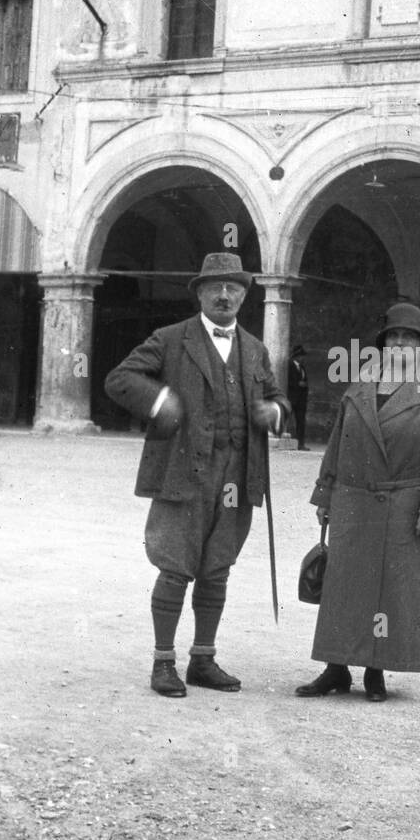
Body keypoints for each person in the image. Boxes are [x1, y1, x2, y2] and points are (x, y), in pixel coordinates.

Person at [104, 252, 290, 699]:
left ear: (245, 295)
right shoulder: (170, 340)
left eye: (234, 289)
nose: (225, 296)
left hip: (236, 479)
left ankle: (202, 659)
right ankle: (163, 662)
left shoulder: (256, 349)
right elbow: (119, 378)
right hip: (182, 474)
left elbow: (279, 398)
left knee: (217, 569)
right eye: (215, 288)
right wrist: (158, 401)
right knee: (174, 567)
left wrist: (275, 412)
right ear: (200, 293)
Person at [296, 303, 420, 703]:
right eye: (393, 337)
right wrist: (326, 493)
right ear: (384, 344)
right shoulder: (359, 387)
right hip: (353, 501)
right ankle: (335, 668)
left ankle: (375, 671)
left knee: (390, 591)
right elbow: (338, 442)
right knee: (343, 587)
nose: (400, 343)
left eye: (409, 338)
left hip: (402, 505)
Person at [289, 345, 310, 450]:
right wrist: (298, 384)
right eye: (302, 356)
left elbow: (305, 382)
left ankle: (300, 444)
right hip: (291, 398)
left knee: (301, 422)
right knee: (287, 420)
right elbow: (287, 381)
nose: (303, 359)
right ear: (296, 356)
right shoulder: (289, 366)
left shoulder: (302, 368)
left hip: (301, 400)